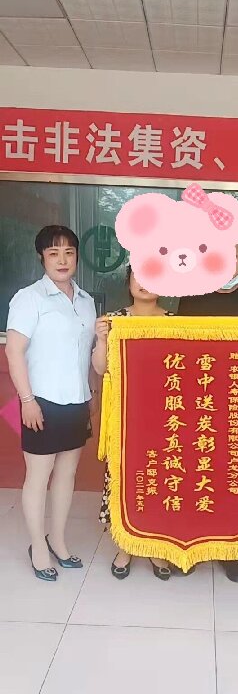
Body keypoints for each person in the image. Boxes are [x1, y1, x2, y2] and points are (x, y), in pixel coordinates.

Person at [178, 239, 238, 582]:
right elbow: (178, 347)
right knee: (195, 473)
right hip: (198, 402)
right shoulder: (191, 297)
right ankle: (192, 545)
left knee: (232, 475)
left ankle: (228, 549)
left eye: (232, 256)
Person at [5, 225, 97, 581]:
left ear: (77, 257)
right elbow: (14, 352)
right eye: (54, 253)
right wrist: (27, 400)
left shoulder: (86, 301)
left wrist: (91, 394)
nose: (62, 260)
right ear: (41, 257)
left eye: (69, 252)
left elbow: (86, 354)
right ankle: (38, 546)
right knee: (38, 476)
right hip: (41, 401)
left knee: (67, 474)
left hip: (77, 401)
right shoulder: (29, 298)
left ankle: (57, 540)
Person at [92, 266, 184, 581]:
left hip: (165, 418)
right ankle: (125, 546)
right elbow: (101, 368)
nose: (145, 284)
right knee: (125, 480)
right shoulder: (115, 321)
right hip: (124, 417)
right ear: (128, 281)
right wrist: (101, 340)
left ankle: (156, 546)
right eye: (139, 277)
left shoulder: (177, 323)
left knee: (159, 479)